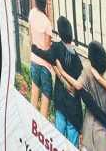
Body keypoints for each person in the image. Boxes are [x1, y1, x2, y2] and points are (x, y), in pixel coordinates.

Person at [55, 41, 106, 151]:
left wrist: (61, 72)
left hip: (87, 134)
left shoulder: (87, 72)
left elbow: (75, 87)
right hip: (102, 140)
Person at [32, 16, 83, 146]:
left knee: (58, 137)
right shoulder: (77, 59)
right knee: (72, 142)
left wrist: (34, 48)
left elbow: (46, 55)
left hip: (60, 101)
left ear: (60, 33)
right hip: (73, 107)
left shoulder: (56, 48)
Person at [28, 0, 53, 117]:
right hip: (44, 66)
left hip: (33, 61)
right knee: (44, 103)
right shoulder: (47, 22)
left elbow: (31, 36)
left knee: (33, 97)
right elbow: (47, 48)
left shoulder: (32, 13)